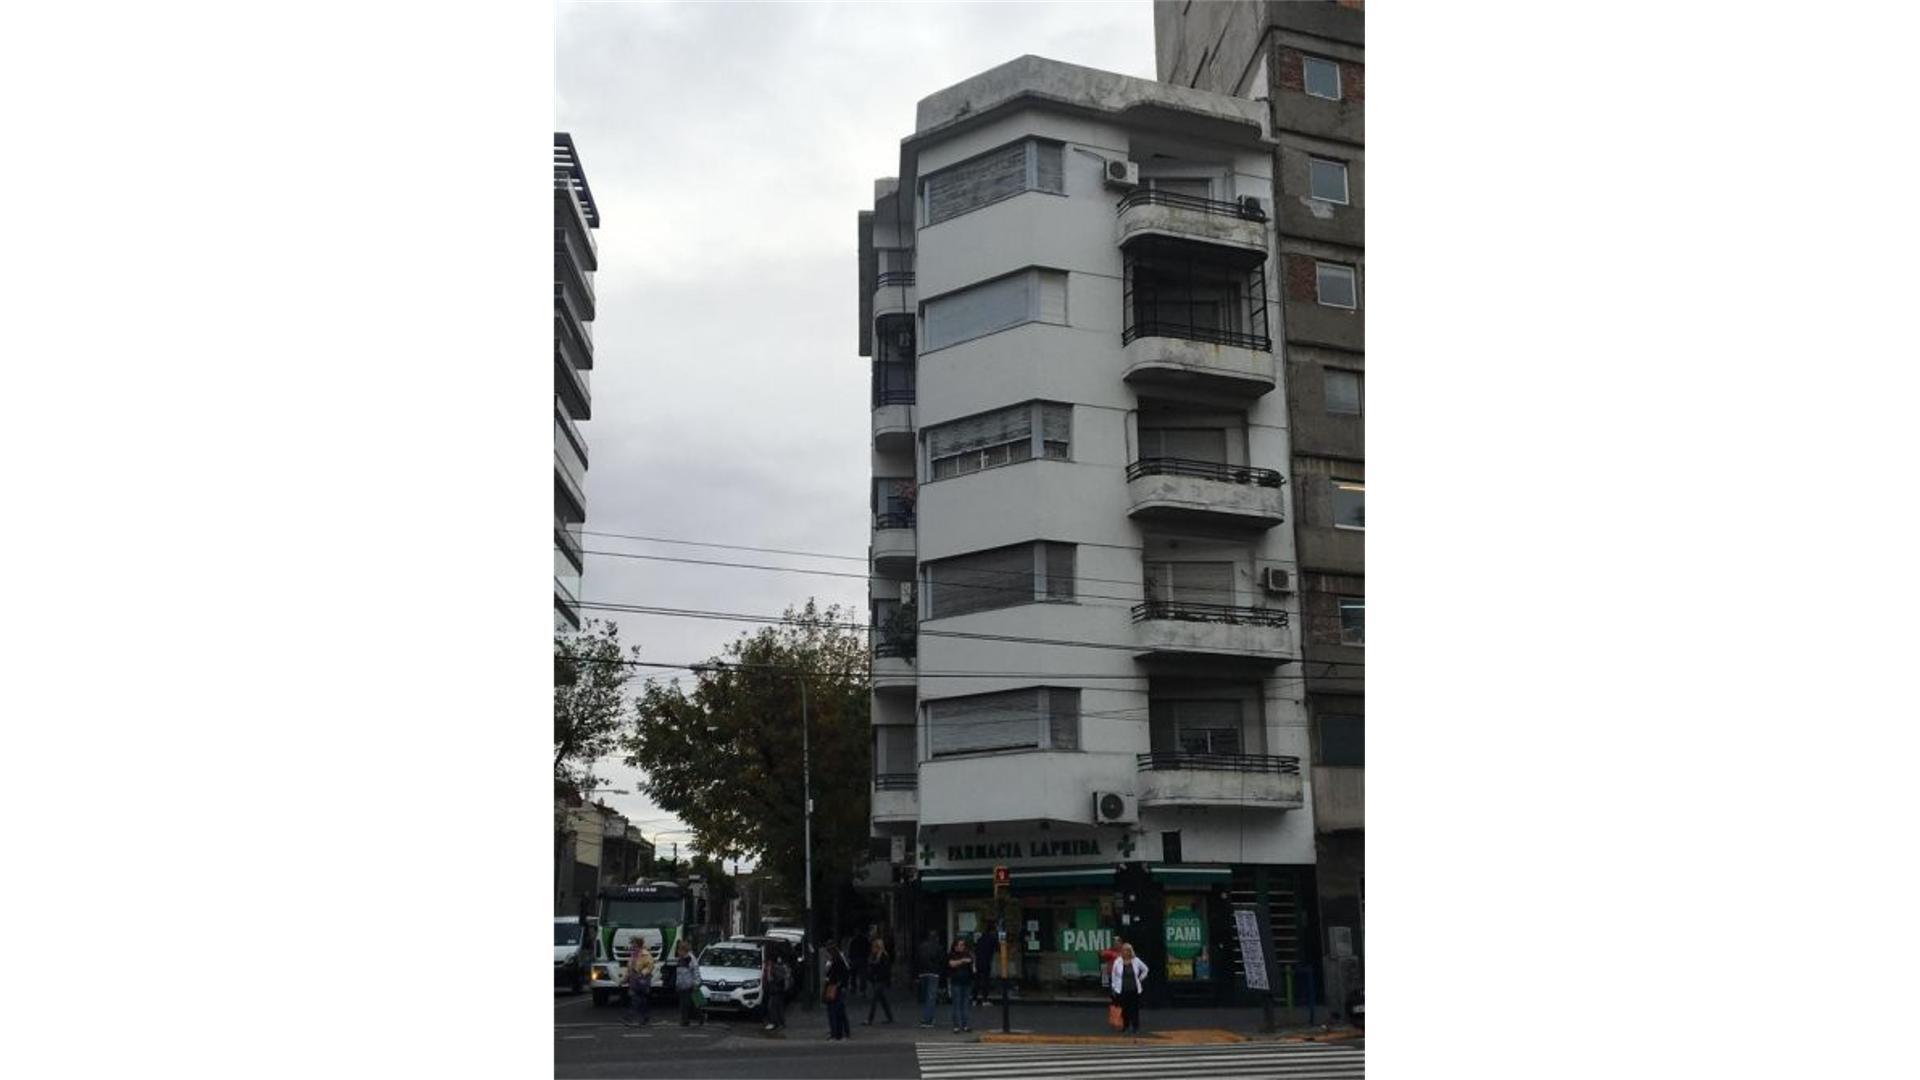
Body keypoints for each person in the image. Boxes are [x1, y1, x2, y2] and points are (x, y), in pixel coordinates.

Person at [1109, 942, 1150, 1035]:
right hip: (1122, 989)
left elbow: (1145, 969)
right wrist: (1114, 987)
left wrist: (1140, 979)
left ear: (1130, 952)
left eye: (1126, 951)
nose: (1124, 952)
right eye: (1123, 950)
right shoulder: (1118, 961)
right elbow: (1114, 975)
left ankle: (1135, 1027)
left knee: (1134, 1009)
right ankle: (1125, 1026)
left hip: (1134, 989)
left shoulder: (1136, 960)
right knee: (1124, 1009)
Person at [822, 942, 852, 1040]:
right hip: (837, 987)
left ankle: (836, 1033)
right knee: (840, 1012)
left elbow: (833, 975)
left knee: (834, 1012)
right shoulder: (839, 960)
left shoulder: (835, 962)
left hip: (834, 988)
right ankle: (842, 1032)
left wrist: (837, 984)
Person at [862, 936, 895, 1025]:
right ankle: (890, 1017)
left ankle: (870, 1019)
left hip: (880, 980)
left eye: (874, 946)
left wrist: (876, 974)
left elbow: (884, 970)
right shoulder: (875, 956)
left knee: (874, 1000)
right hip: (877, 980)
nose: (872, 948)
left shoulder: (883, 956)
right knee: (883, 1000)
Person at [914, 930, 943, 1028]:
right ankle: (928, 1020)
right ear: (936, 938)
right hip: (933, 973)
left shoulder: (921, 947)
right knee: (931, 998)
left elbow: (916, 960)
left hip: (922, 973)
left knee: (926, 997)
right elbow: (940, 960)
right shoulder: (938, 947)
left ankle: (926, 1017)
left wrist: (916, 975)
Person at [946, 936, 974, 1033]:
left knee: (965, 1004)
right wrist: (962, 961)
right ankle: (956, 1026)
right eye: (960, 945)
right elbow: (951, 964)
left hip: (967, 982)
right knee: (956, 1004)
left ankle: (965, 1025)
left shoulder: (967, 953)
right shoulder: (952, 954)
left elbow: (971, 961)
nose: (962, 947)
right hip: (956, 982)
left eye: (963, 945)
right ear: (955, 946)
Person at [673, 940, 704, 1027]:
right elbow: (679, 973)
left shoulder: (691, 959)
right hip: (682, 986)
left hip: (690, 985)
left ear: (684, 950)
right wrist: (677, 983)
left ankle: (696, 1018)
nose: (678, 952)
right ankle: (686, 1020)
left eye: (679, 950)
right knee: (684, 1004)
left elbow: (696, 972)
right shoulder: (680, 959)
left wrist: (696, 983)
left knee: (690, 1004)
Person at [623, 943, 655, 1026]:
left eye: (635, 946)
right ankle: (634, 1018)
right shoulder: (632, 956)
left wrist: (642, 973)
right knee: (637, 1000)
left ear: (639, 946)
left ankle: (631, 1018)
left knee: (641, 1001)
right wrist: (624, 980)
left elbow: (650, 966)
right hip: (634, 982)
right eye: (633, 947)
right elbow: (629, 970)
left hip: (642, 981)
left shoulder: (646, 955)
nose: (633, 948)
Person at [763, 946, 792, 1033]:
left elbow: (772, 979)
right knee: (778, 1006)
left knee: (773, 1006)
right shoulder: (776, 967)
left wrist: (769, 973)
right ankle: (780, 1023)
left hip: (776, 990)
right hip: (776, 990)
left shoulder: (775, 968)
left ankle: (776, 1023)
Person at [972, 920, 998, 1006]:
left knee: (977, 981)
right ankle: (984, 1000)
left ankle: (974, 1000)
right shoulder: (992, 939)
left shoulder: (980, 938)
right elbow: (998, 949)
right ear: (993, 930)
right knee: (985, 981)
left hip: (978, 961)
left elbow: (976, 950)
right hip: (986, 961)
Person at [847, 926, 870, 996]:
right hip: (861, 959)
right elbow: (868, 948)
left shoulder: (854, 940)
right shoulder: (864, 939)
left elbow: (850, 950)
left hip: (857, 959)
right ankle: (861, 990)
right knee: (861, 975)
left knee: (855, 975)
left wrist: (850, 958)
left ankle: (855, 988)